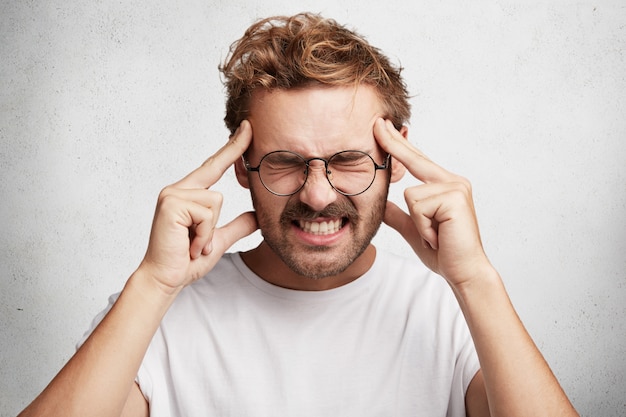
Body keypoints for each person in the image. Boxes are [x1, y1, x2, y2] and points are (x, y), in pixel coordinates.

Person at [19, 12, 578, 417]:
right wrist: (153, 283)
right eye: (285, 162)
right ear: (241, 166)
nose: (316, 195)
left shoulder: (454, 310)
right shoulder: (158, 316)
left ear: (396, 157)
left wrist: (475, 278)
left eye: (348, 160)